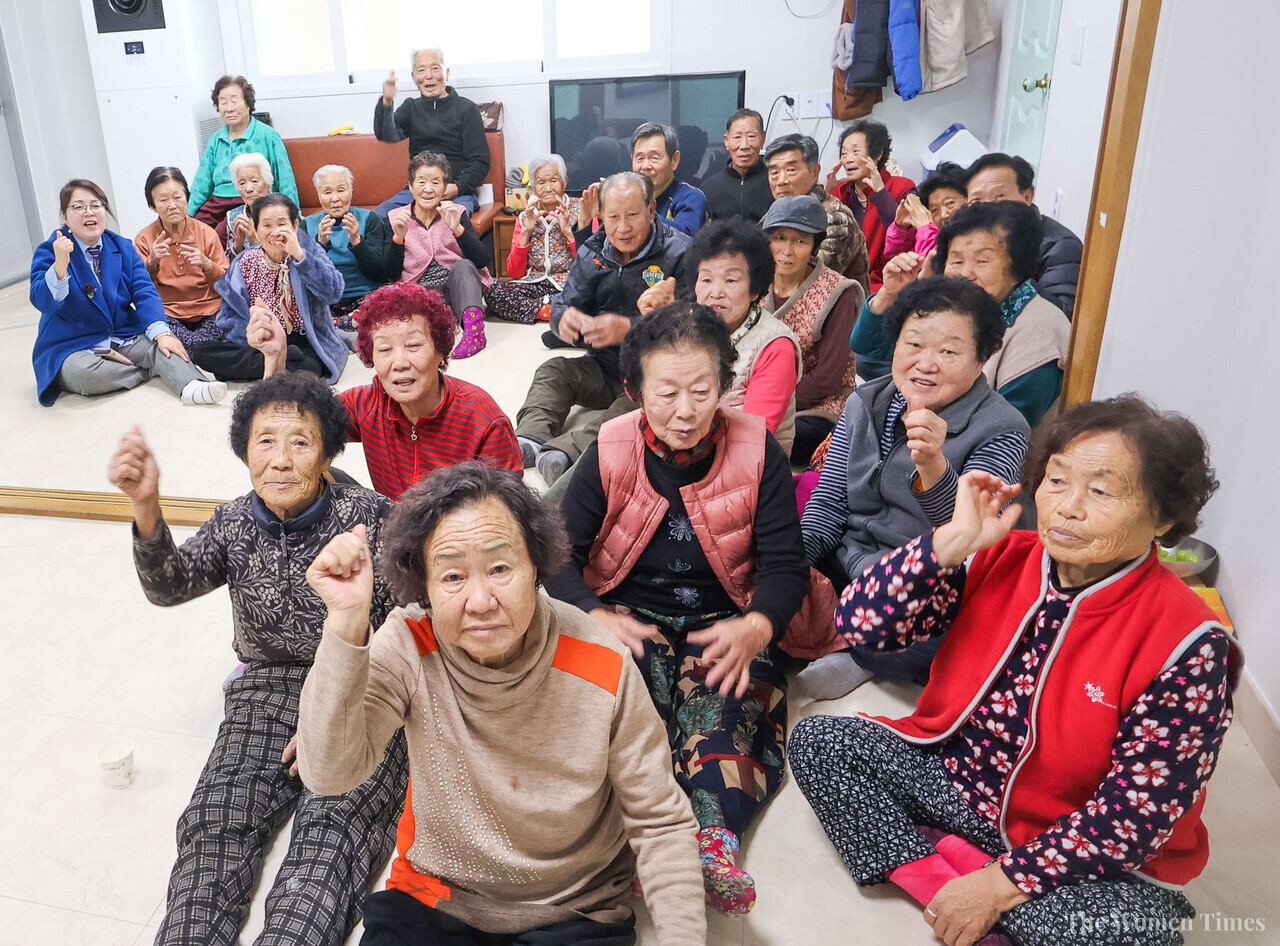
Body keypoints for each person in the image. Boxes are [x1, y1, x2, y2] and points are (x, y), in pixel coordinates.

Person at [789, 395, 1238, 946]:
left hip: (1068, 835)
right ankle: (947, 879)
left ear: (1163, 518)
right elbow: (860, 624)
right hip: (956, 782)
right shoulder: (1001, 553)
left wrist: (1001, 883)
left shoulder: (1190, 643)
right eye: (1056, 481)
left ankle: (956, 869)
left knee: (1137, 936)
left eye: (1100, 491)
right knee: (820, 741)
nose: (1067, 507)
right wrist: (947, 544)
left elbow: (1136, 813)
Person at [297, 463, 706, 945]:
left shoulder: (602, 661)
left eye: (499, 568)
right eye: (452, 576)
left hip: (574, 909)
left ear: (536, 566)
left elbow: (660, 821)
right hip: (435, 895)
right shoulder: (410, 642)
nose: (480, 600)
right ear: (423, 586)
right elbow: (328, 774)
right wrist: (346, 623)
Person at [108, 373, 408, 946]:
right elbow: (170, 585)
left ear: (327, 454)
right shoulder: (233, 522)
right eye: (264, 441)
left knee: (332, 839)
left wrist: (342, 717)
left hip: (361, 689)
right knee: (215, 827)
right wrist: (146, 507)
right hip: (264, 690)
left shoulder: (373, 518)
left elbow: (409, 627)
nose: (280, 459)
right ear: (243, 450)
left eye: (300, 441)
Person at [545, 302, 809, 916]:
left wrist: (758, 626)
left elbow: (785, 565)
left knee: (726, 709)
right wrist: (592, 612)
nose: (685, 411)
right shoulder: (611, 444)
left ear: (725, 383)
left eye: (702, 390)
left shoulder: (756, 448)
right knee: (619, 710)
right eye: (666, 393)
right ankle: (634, 837)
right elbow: (557, 549)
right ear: (635, 389)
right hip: (630, 613)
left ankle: (713, 847)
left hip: (727, 618)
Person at [795, 277, 1030, 698]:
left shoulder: (1004, 428)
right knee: (755, 571)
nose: (926, 363)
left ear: (982, 358)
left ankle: (851, 645)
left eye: (949, 351)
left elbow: (970, 541)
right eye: (914, 344)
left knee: (955, 643)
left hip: (920, 586)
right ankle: (841, 630)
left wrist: (934, 467)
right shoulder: (865, 401)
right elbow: (828, 505)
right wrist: (791, 567)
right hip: (847, 564)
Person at [515, 171, 691, 488]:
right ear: (600, 216)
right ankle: (530, 437)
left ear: (652, 211)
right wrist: (563, 319)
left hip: (653, 373)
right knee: (553, 370)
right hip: (603, 365)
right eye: (613, 217)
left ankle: (567, 452)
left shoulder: (681, 253)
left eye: (633, 215)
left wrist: (630, 329)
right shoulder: (592, 252)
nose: (623, 227)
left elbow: (693, 323)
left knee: (636, 411)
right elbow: (564, 302)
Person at [851, 201, 1071, 428]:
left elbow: (999, 429)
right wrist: (891, 294)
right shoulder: (956, 307)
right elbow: (868, 352)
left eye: (982, 261)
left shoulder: (1039, 334)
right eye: (956, 260)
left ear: (1018, 266)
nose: (965, 273)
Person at [30, 179, 226, 407]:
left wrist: (162, 334)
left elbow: (144, 291)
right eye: (79, 207)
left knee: (164, 346)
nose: (89, 212)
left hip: (121, 333)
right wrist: (59, 269)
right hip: (73, 343)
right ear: (65, 216)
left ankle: (192, 385)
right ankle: (147, 370)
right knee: (85, 374)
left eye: (95, 205)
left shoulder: (121, 247)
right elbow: (41, 301)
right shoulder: (50, 250)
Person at [340, 282, 522, 500]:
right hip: (393, 524)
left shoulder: (484, 423)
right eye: (385, 349)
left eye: (413, 345)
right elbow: (303, 420)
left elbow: (506, 512)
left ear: (440, 352)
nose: (399, 363)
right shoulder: (367, 403)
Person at [759, 194, 866, 464]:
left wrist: (773, 406)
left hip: (815, 404)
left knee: (770, 441)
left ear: (814, 246)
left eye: (800, 241)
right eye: (780, 237)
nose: (787, 250)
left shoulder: (838, 293)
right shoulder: (754, 282)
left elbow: (827, 377)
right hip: (756, 394)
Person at [195, 194, 348, 383]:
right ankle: (279, 362)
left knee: (311, 367)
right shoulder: (245, 262)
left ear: (294, 226)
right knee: (202, 352)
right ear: (256, 230)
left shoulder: (308, 251)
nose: (275, 232)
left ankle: (277, 363)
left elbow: (333, 293)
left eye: (282, 224)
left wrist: (301, 257)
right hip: (260, 342)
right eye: (267, 225)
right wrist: (256, 338)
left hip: (304, 339)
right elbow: (227, 317)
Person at [685, 218, 802, 452]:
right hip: (686, 450)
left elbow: (752, 437)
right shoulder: (685, 323)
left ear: (754, 289)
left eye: (730, 280)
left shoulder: (776, 346)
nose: (715, 292)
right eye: (706, 279)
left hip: (747, 464)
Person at [389, 150, 494, 360]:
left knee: (464, 266)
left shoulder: (457, 212)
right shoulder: (395, 218)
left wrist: (458, 231)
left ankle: (474, 332)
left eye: (436, 182)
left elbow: (482, 260)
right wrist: (398, 239)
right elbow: (390, 272)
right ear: (410, 186)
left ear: (445, 189)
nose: (428, 189)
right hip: (419, 293)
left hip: (455, 292)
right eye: (421, 182)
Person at [374, 48, 490, 217]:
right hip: (418, 192)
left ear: (447, 73)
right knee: (377, 218)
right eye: (421, 70)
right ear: (414, 77)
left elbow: (480, 160)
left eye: (435, 68)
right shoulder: (411, 108)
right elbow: (387, 135)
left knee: (451, 220)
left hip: (455, 193)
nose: (428, 75)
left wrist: (456, 187)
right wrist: (387, 101)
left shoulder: (466, 109)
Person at [965, 152, 1083, 317]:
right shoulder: (969, 241)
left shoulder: (1061, 246)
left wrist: (1010, 275)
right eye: (977, 201)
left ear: (1027, 196)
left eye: (999, 196)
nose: (987, 208)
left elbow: (1062, 314)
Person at [134, 165, 229, 348]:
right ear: (153, 205)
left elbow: (225, 286)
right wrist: (151, 262)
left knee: (229, 319)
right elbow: (139, 290)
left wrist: (208, 265)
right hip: (169, 313)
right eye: (163, 200)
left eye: (177, 197)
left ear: (187, 197)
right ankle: (202, 350)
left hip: (210, 311)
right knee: (153, 327)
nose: (172, 205)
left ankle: (189, 351)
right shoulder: (144, 239)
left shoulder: (206, 233)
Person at [763, 133, 869, 292]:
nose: (781, 180)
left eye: (791, 170)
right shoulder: (777, 212)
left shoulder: (835, 218)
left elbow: (805, 279)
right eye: (774, 173)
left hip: (834, 312)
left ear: (814, 172)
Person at [483, 154, 581, 324]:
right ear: (534, 188)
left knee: (593, 294)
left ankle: (541, 307)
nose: (548, 188)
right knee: (493, 292)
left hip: (568, 283)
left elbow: (589, 263)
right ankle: (548, 311)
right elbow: (514, 273)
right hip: (534, 283)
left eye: (554, 180)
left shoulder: (580, 210)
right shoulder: (525, 217)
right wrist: (526, 232)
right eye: (541, 182)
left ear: (565, 182)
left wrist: (568, 232)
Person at [189, 75, 298, 228]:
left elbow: (285, 179)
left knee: (229, 231)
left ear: (248, 103)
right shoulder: (215, 139)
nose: (229, 108)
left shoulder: (267, 135)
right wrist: (187, 215)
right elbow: (201, 184)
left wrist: (294, 215)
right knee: (195, 231)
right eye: (223, 102)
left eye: (234, 101)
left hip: (254, 200)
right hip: (218, 203)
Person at [302, 164, 397, 333]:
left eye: (341, 190)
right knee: (305, 313)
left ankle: (337, 330)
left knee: (385, 306)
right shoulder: (307, 225)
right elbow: (307, 277)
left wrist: (357, 241)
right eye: (327, 192)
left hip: (365, 298)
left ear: (351, 191)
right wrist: (320, 244)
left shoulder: (370, 219)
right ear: (318, 195)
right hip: (326, 301)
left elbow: (377, 272)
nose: (335, 198)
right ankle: (346, 330)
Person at [826, 120, 917, 291]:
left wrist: (881, 193)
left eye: (855, 151)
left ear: (877, 155)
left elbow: (906, 239)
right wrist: (826, 197)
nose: (848, 160)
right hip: (843, 283)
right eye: (844, 153)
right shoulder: (840, 191)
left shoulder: (902, 188)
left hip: (888, 283)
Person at [628, 122, 706, 236]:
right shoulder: (628, 197)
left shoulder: (691, 197)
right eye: (639, 158)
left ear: (674, 160)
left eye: (654, 158)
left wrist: (640, 213)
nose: (645, 166)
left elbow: (685, 236)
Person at [883, 160, 967, 261]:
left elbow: (931, 271)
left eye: (950, 203)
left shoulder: (978, 236)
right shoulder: (936, 237)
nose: (943, 215)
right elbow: (900, 261)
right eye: (934, 210)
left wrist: (926, 230)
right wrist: (901, 229)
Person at [702, 108, 773, 223]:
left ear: (762, 138)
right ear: (726, 141)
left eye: (751, 136)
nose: (744, 145)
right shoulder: (709, 187)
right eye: (737, 137)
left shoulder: (775, 183)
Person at [215, 152, 273, 261]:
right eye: (242, 183)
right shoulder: (234, 218)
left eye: (254, 181)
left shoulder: (282, 211)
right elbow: (228, 267)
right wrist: (238, 244)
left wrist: (254, 240)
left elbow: (285, 259)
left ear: (268, 184)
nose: (249, 189)